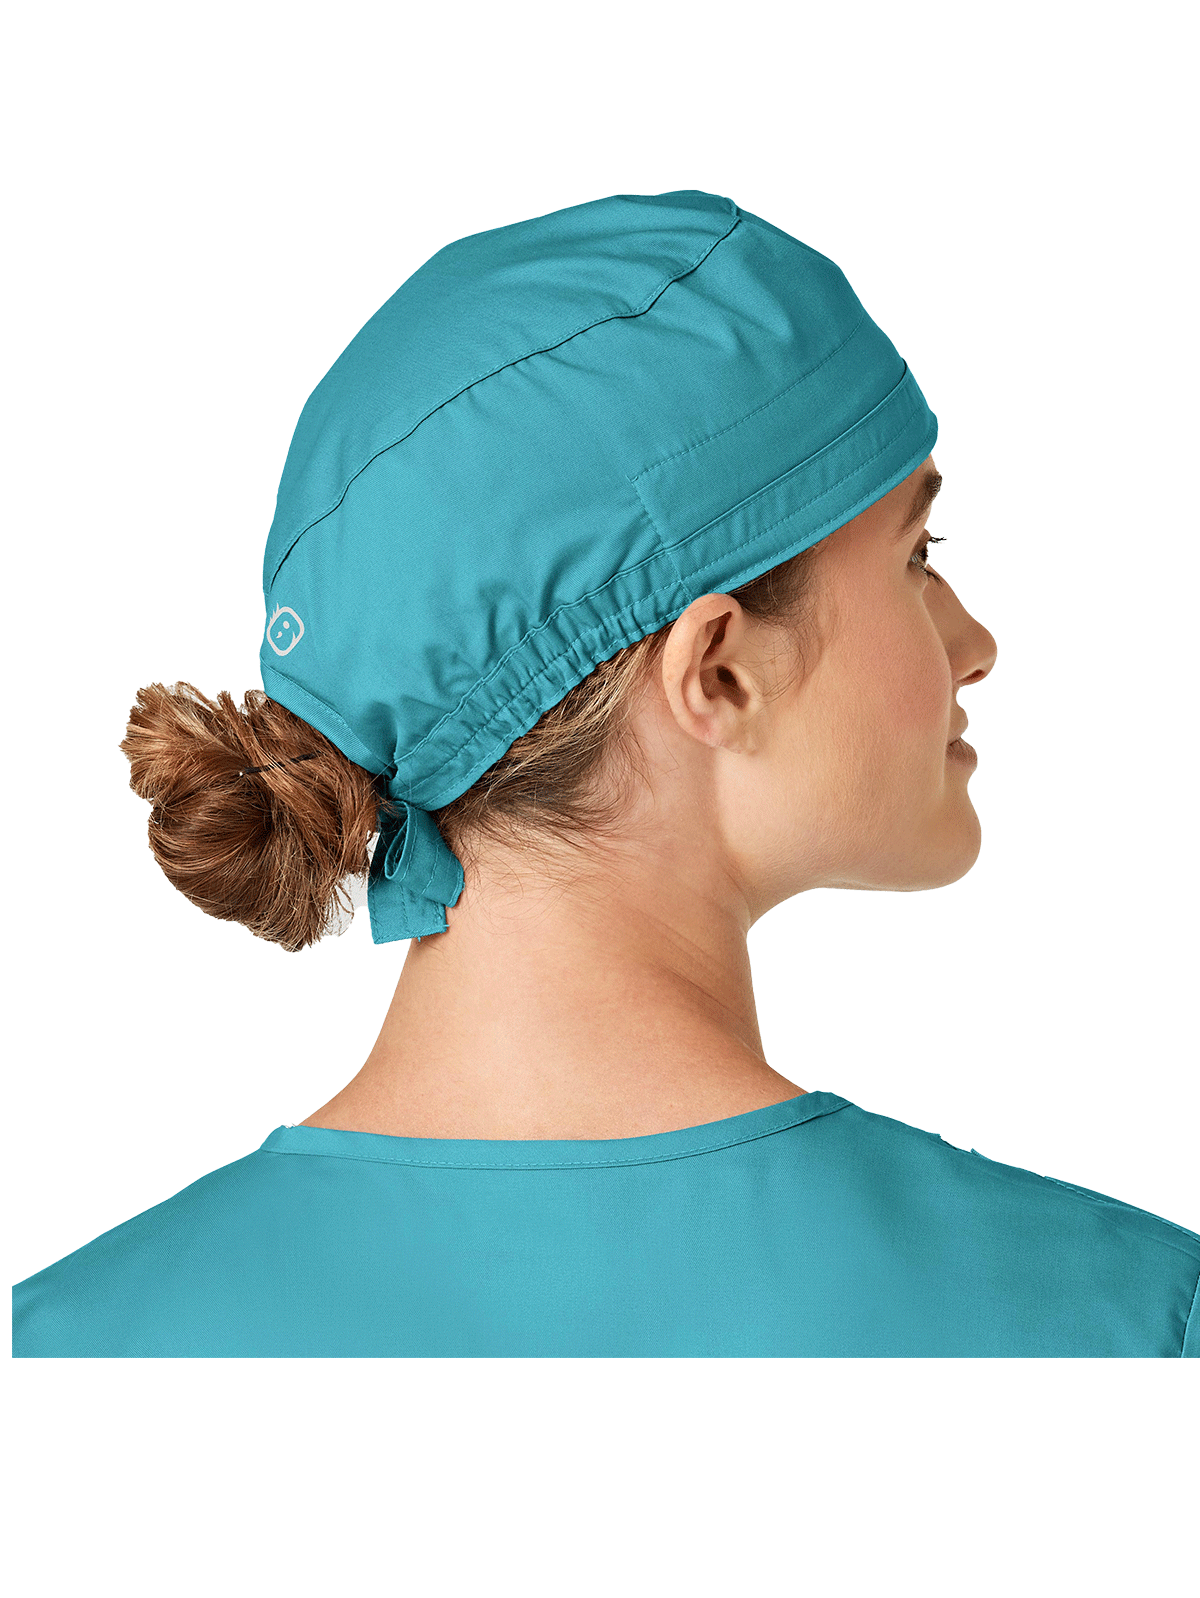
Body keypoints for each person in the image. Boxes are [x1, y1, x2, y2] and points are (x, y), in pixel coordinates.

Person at [12, 190, 1198, 1357]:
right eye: (917, 555)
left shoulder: (69, 1343)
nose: (974, 641)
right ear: (718, 671)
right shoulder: (1119, 1321)